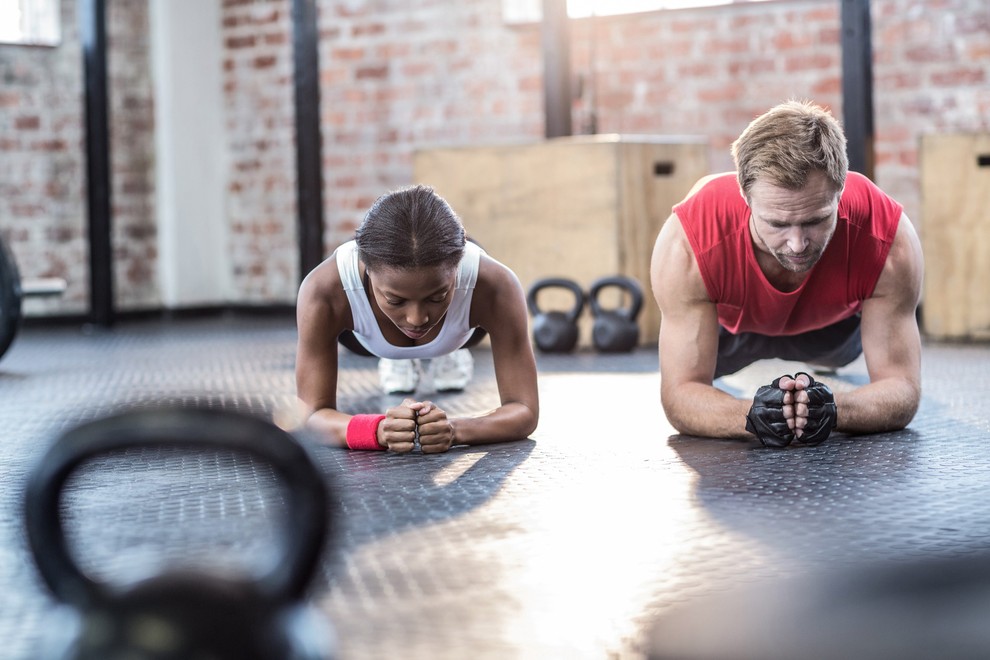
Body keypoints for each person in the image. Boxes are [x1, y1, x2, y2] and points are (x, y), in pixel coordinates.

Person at [649, 100, 923, 447]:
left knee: (840, 354)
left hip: (832, 334)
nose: (796, 244)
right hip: (731, 332)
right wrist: (751, 415)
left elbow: (902, 387)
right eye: (777, 223)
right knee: (702, 369)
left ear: (840, 192)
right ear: (745, 197)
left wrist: (835, 410)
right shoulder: (690, 239)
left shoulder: (886, 234)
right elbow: (680, 394)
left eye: (815, 220)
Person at [296, 185, 539, 453]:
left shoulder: (495, 285)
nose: (417, 319)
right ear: (366, 268)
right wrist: (375, 430)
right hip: (362, 340)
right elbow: (310, 416)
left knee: (445, 312)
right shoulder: (323, 290)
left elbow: (525, 410)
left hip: (464, 334)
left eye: (437, 297)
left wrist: (455, 429)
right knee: (403, 330)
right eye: (396, 300)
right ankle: (396, 355)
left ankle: (447, 350)